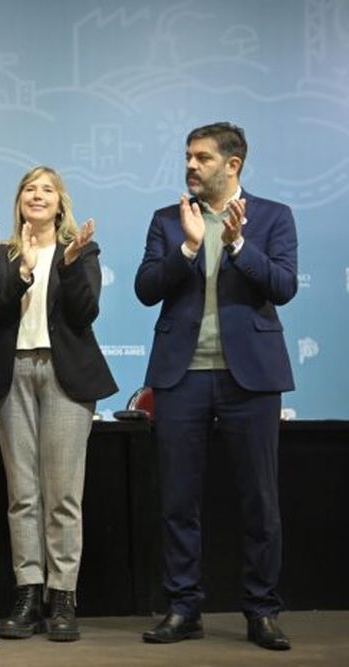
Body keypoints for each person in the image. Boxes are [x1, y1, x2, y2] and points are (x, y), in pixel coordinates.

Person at [135, 122, 297, 651]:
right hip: (181, 375)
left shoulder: (272, 216)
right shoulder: (168, 220)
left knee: (260, 500)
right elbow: (144, 289)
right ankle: (184, 608)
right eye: (187, 155)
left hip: (250, 376)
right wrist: (186, 247)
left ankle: (262, 610)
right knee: (179, 499)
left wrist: (239, 245)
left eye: (202, 157)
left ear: (234, 165)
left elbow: (284, 286)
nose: (190, 165)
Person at [0, 166, 117, 642]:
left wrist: (71, 265)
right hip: (11, 372)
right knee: (23, 494)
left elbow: (84, 313)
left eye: (47, 190)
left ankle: (62, 597)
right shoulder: (0, 254)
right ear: (18, 201)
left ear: (61, 203)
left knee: (63, 494)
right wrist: (19, 274)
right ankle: (27, 593)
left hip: (64, 376)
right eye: (29, 190)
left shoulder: (82, 249)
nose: (37, 196)